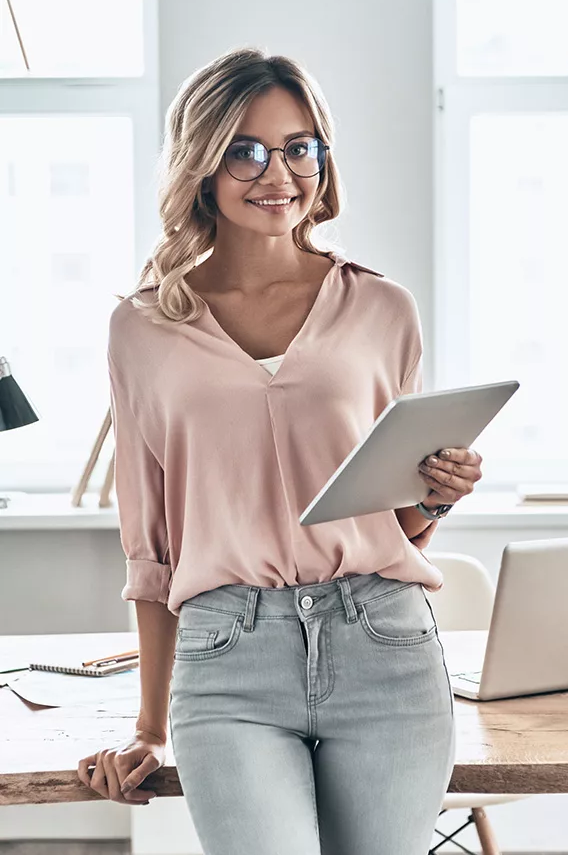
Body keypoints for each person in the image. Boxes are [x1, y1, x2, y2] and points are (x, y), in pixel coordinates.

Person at [77, 46, 483, 855]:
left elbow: (387, 521)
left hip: (387, 647)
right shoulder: (143, 326)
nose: (279, 173)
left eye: (300, 147)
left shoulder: (382, 308)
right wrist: (150, 726)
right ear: (201, 164)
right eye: (245, 149)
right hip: (228, 660)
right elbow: (151, 549)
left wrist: (434, 492)